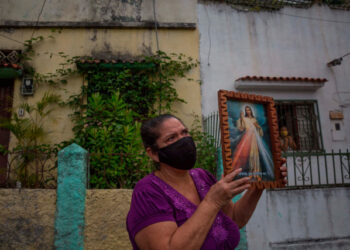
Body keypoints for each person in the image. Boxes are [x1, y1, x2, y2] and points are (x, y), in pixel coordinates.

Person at [126, 114, 287, 249]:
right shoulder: (148, 192)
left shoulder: (202, 176)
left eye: (184, 132)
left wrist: (261, 183)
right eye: (171, 138)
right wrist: (212, 201)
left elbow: (235, 219)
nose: (183, 140)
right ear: (153, 153)